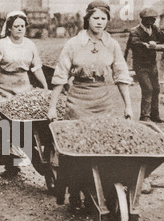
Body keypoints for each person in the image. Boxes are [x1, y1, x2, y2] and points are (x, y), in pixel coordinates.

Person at [47, 1, 134, 207]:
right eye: (96, 18)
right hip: (78, 101)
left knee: (104, 148)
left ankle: (103, 192)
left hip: (103, 101)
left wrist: (128, 106)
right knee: (77, 150)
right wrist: (52, 106)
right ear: (87, 19)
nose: (99, 22)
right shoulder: (73, 44)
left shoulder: (112, 44)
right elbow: (60, 77)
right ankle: (75, 192)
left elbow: (121, 75)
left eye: (103, 19)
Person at [0, 11, 48, 176]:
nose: (20, 29)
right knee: (7, 127)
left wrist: (45, 87)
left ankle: (33, 153)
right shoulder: (0, 45)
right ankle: (10, 165)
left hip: (24, 88)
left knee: (25, 124)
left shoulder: (30, 45)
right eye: (16, 26)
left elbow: (36, 68)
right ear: (9, 28)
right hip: (4, 89)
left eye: (23, 26)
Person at [125, 7, 164, 123]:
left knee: (156, 88)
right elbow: (135, 43)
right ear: (143, 19)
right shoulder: (135, 31)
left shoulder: (154, 29)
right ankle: (145, 116)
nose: (151, 22)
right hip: (140, 65)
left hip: (152, 64)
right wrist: (146, 44)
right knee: (148, 89)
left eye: (153, 19)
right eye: (148, 19)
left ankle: (155, 116)